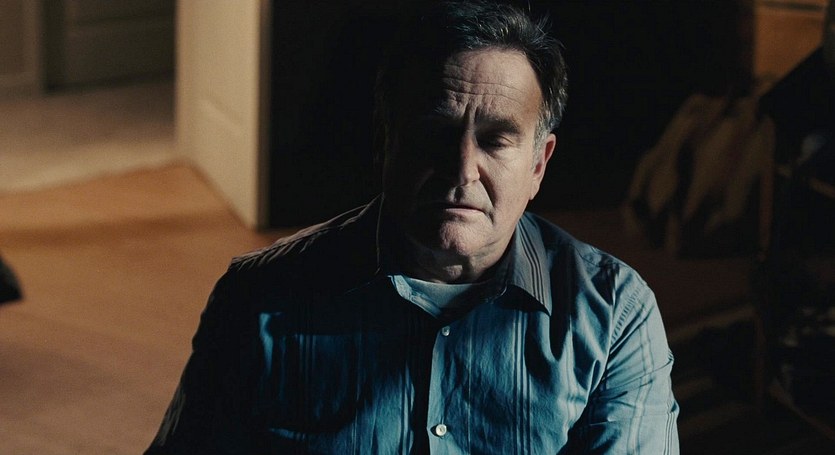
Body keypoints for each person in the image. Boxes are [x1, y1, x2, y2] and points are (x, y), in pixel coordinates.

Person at [146, 1, 679, 453]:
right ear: (386, 142)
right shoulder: (258, 297)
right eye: (436, 133)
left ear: (539, 165)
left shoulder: (615, 316)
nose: (462, 169)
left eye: (495, 140)